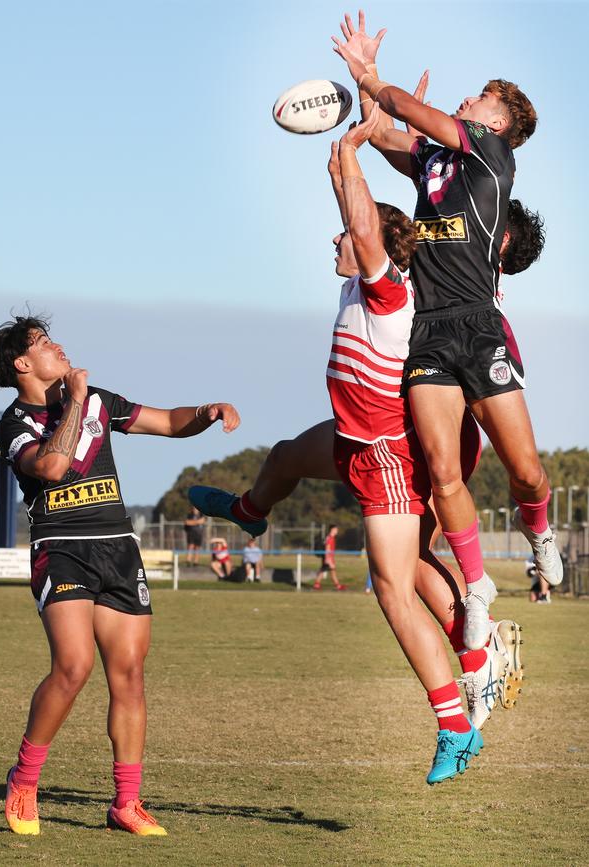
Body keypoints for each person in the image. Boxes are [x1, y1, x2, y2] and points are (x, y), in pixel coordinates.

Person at [193, 111, 490, 784]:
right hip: (354, 437)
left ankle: (454, 719)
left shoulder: (388, 294)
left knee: (392, 586)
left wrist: (350, 157)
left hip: (385, 451)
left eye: (348, 235)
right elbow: (365, 222)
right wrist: (353, 150)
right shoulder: (361, 281)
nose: (335, 239)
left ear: (375, 245)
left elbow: (363, 225)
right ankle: (248, 510)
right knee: (286, 455)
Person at [331, 11, 561, 651]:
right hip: (428, 333)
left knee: (526, 472)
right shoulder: (439, 164)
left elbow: (405, 107)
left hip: (479, 328)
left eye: (479, 97)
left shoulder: (490, 154)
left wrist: (373, 78)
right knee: (440, 470)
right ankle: (479, 587)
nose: (467, 98)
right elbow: (391, 137)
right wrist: (371, 121)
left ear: (495, 120)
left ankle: (538, 531)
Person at [0, 314, 239, 836]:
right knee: (73, 668)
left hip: (119, 549)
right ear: (22, 364)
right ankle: (25, 779)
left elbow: (168, 422)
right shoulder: (14, 423)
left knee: (129, 677)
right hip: (62, 550)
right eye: (44, 344)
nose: (59, 348)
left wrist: (207, 411)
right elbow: (52, 468)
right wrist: (75, 401)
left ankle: (126, 803)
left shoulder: (99, 399)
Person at [313, 525, 345, 590]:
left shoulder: (330, 537)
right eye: (336, 529)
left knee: (323, 570)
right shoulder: (330, 538)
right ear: (332, 529)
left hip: (328, 558)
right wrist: (328, 560)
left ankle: (317, 584)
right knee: (332, 571)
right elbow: (327, 548)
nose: (337, 531)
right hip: (328, 558)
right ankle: (338, 586)